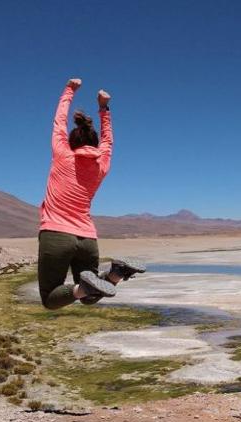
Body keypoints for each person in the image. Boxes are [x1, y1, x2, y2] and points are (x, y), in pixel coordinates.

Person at [37, 77, 145, 310]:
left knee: (50, 299)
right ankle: (116, 274)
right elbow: (108, 141)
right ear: (95, 145)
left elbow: (59, 122)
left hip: (56, 233)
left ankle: (87, 286)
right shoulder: (101, 164)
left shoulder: (63, 156)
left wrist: (69, 90)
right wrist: (104, 108)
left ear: (70, 142)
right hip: (87, 237)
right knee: (90, 297)